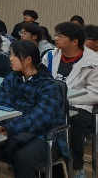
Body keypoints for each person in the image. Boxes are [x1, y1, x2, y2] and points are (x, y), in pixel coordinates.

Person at [0, 41, 67, 178]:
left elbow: (41, 118)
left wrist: (10, 128)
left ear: (28, 60)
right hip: (15, 130)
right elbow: (2, 104)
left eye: (14, 55)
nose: (10, 58)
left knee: (22, 158)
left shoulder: (48, 85)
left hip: (45, 134)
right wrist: (1, 125)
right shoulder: (11, 78)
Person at [43, 22, 98, 176]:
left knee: (72, 120)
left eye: (61, 36)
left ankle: (77, 167)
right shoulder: (50, 56)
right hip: (52, 102)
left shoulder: (93, 62)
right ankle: (46, 161)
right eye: (56, 35)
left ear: (74, 41)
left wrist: (67, 100)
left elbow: (95, 93)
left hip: (81, 106)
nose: (56, 39)